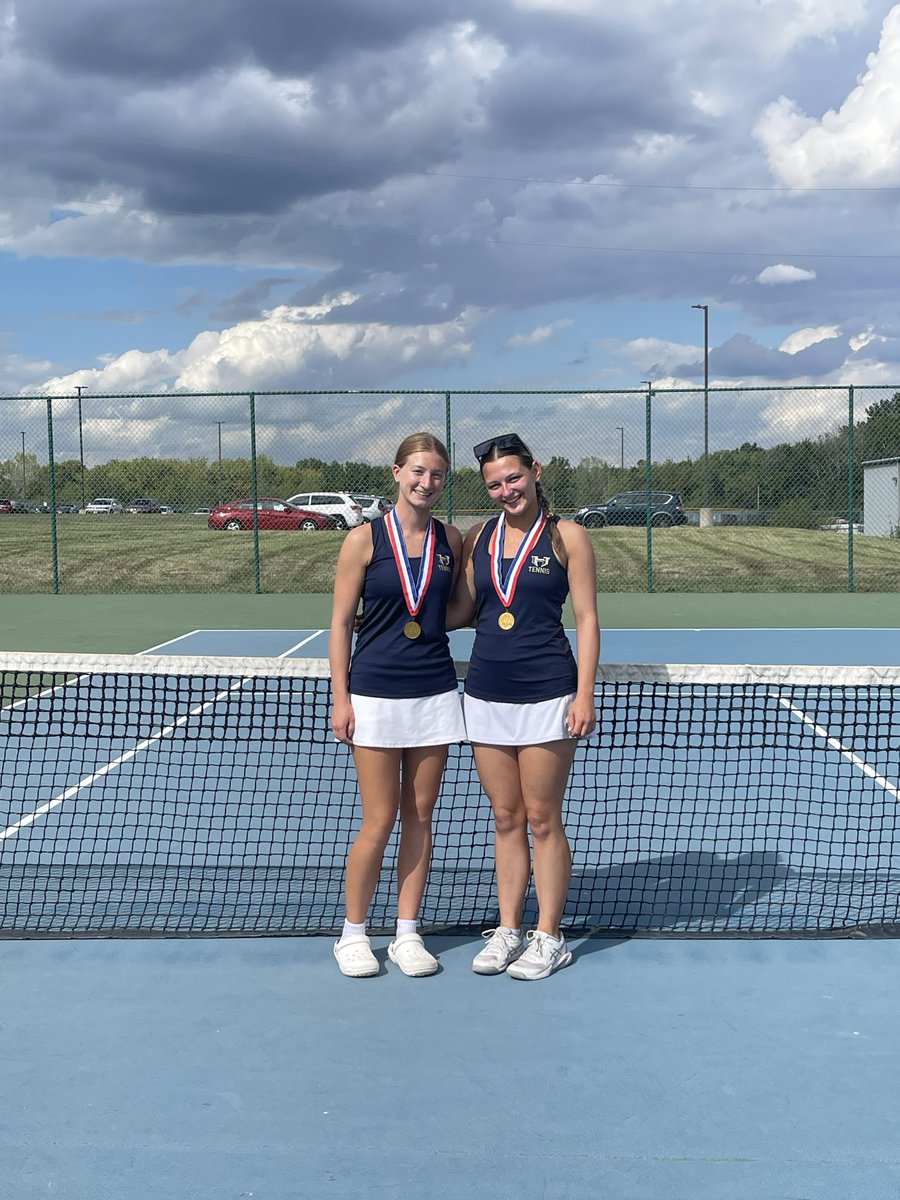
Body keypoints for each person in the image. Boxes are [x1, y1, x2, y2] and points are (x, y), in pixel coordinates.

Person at [451, 432, 600, 980]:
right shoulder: (479, 537)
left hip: (548, 693)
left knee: (542, 819)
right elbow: (464, 608)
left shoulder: (568, 536)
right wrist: (403, 611)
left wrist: (583, 694)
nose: (506, 490)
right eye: (495, 484)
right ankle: (509, 928)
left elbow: (586, 618)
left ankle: (549, 936)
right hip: (487, 694)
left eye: (513, 478)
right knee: (506, 817)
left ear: (535, 471)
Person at [329, 433, 465, 978]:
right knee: (379, 819)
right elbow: (340, 624)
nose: (425, 483)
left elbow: (455, 610)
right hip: (374, 695)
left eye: (435, 475)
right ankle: (353, 934)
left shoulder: (450, 538)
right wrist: (341, 698)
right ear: (396, 472)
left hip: (434, 693)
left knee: (420, 817)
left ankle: (407, 932)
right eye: (417, 471)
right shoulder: (362, 541)